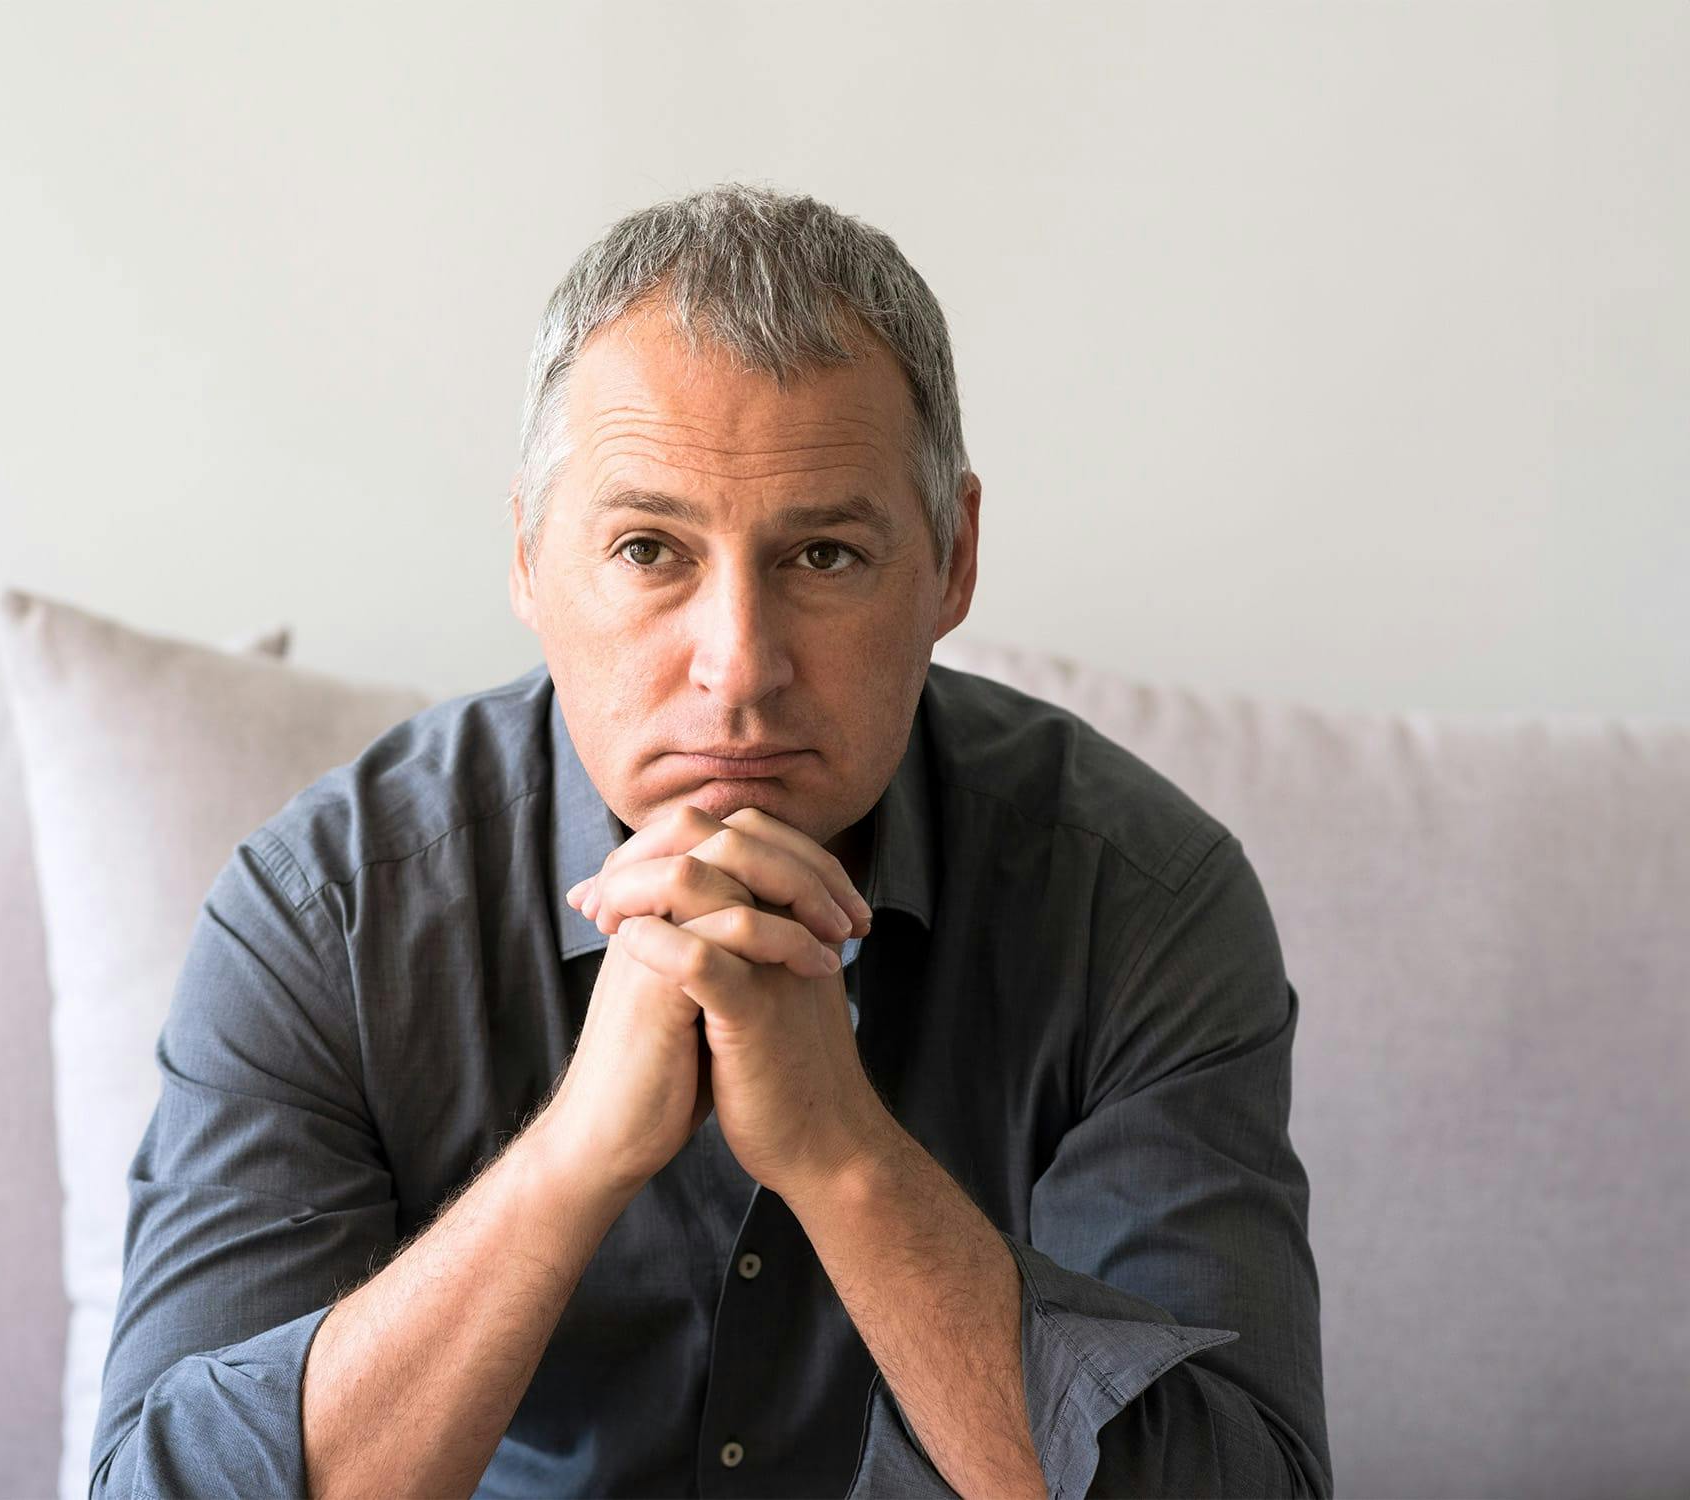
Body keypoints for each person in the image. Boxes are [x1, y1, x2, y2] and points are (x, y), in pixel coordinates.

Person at [89, 181, 1331, 1499]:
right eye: (647, 549)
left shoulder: (1137, 905)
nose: (736, 671)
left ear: (953, 559)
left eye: (826, 558)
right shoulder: (328, 915)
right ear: (527, 555)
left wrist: (845, 1158)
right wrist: (575, 1160)